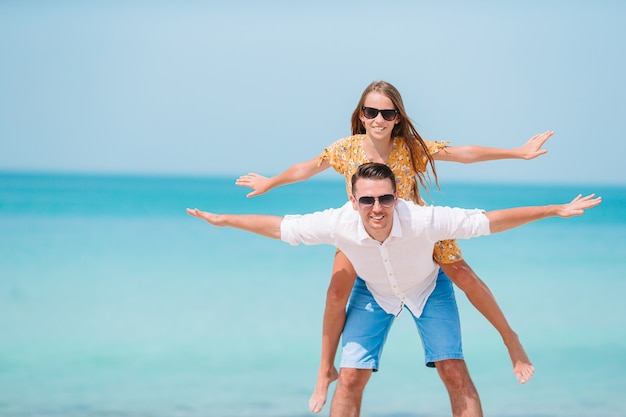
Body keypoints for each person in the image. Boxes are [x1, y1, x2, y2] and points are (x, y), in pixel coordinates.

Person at [236, 80, 553, 412]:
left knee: (462, 273)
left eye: (387, 113)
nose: (378, 119)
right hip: (363, 231)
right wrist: (271, 182)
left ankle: (510, 339)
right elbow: (306, 168)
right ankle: (323, 372)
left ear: (397, 118)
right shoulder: (346, 148)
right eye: (371, 112)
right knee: (335, 292)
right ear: (361, 114)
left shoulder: (410, 148)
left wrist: (517, 153)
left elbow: (463, 154)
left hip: (416, 231)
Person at [189, 162, 601, 417]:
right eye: (367, 200)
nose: (377, 208)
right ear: (353, 201)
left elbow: (490, 220)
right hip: (374, 294)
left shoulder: (422, 220)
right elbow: (280, 227)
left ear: (396, 196)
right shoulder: (337, 222)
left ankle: (510, 340)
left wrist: (553, 209)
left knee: (453, 369)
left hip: (428, 287)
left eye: (385, 198)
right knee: (350, 378)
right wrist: (225, 220)